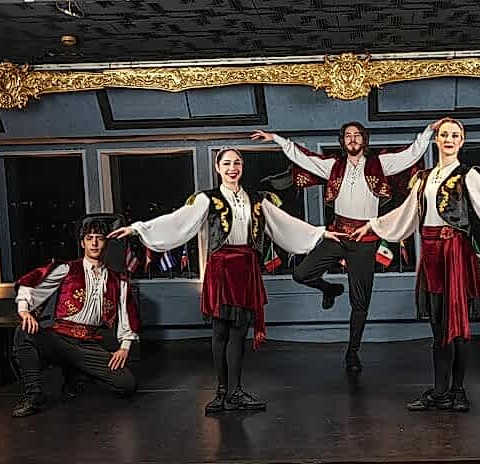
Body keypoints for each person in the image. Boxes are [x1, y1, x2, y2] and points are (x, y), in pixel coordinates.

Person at [109, 148, 344, 414]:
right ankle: (222, 392)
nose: (233, 168)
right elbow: (177, 221)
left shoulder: (257, 199)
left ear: (242, 167)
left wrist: (320, 233)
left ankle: (235, 392)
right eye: (227, 163)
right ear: (218, 168)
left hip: (246, 268)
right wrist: (137, 229)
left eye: (237, 163)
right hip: (221, 268)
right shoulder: (206, 199)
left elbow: (285, 223)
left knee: (239, 332)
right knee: (220, 331)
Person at [350, 118, 480, 411]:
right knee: (438, 326)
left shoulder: (468, 175)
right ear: (437, 140)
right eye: (444, 134)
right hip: (431, 254)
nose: (449, 139)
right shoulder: (423, 178)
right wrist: (372, 225)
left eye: (455, 135)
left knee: (456, 325)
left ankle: (455, 391)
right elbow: (406, 213)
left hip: (455, 252)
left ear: (462, 141)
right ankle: (441, 391)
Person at [251, 120, 439, 373]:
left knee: (360, 301)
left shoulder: (380, 164)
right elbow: (303, 157)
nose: (352, 139)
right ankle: (330, 288)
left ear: (364, 139)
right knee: (301, 273)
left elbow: (411, 154)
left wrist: (428, 132)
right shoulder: (333, 166)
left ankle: (352, 352)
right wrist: (276, 138)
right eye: (348, 135)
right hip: (338, 234)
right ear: (342, 141)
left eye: (357, 135)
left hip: (365, 240)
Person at [11, 215, 140, 418]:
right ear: (82, 243)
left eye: (99, 238)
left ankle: (77, 371)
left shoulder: (118, 281)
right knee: (24, 333)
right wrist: (24, 310)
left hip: (88, 344)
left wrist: (124, 347)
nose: (94, 243)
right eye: (89, 238)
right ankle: (34, 394)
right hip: (60, 339)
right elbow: (33, 282)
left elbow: (127, 314)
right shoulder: (68, 269)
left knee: (126, 384)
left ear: (106, 243)